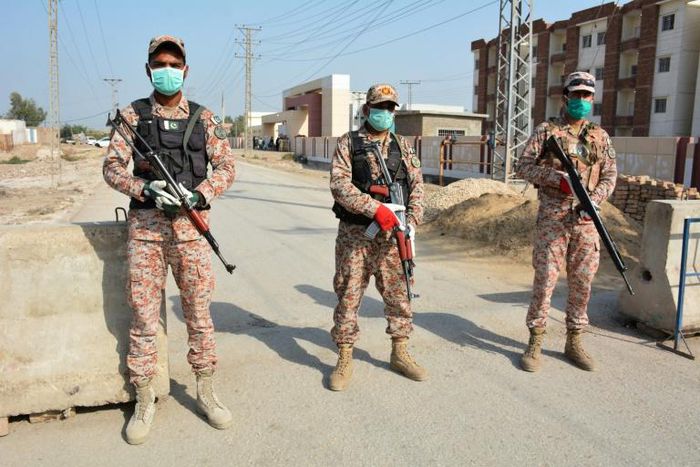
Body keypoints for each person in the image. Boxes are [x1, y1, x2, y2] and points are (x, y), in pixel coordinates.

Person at [103, 35, 236, 444]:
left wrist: (202, 194)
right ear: (148, 70)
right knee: (144, 318)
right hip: (146, 232)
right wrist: (144, 189)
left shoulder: (204, 117)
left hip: (191, 232)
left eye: (174, 63)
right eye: (159, 63)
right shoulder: (132, 116)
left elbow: (227, 166)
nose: (167, 69)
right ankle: (144, 398)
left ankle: (206, 390)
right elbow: (111, 168)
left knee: (198, 314)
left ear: (185, 70)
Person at [515, 71, 617, 372]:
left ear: (593, 99)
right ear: (566, 96)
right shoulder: (547, 131)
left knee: (582, 283)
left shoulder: (600, 136)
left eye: (587, 95)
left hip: (586, 222)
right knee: (545, 281)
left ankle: (574, 341)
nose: (582, 100)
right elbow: (523, 166)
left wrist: (594, 201)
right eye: (577, 95)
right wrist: (554, 179)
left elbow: (610, 174)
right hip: (554, 219)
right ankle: (535, 341)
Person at [328, 83, 426, 391]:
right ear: (367, 109)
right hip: (356, 235)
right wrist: (374, 209)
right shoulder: (350, 143)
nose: (385, 113)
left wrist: (410, 223)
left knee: (399, 293)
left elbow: (418, 187)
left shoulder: (404, 146)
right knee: (349, 292)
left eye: (390, 108)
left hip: (393, 236)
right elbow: (339, 185)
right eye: (379, 107)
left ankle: (400, 350)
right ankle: (345, 354)